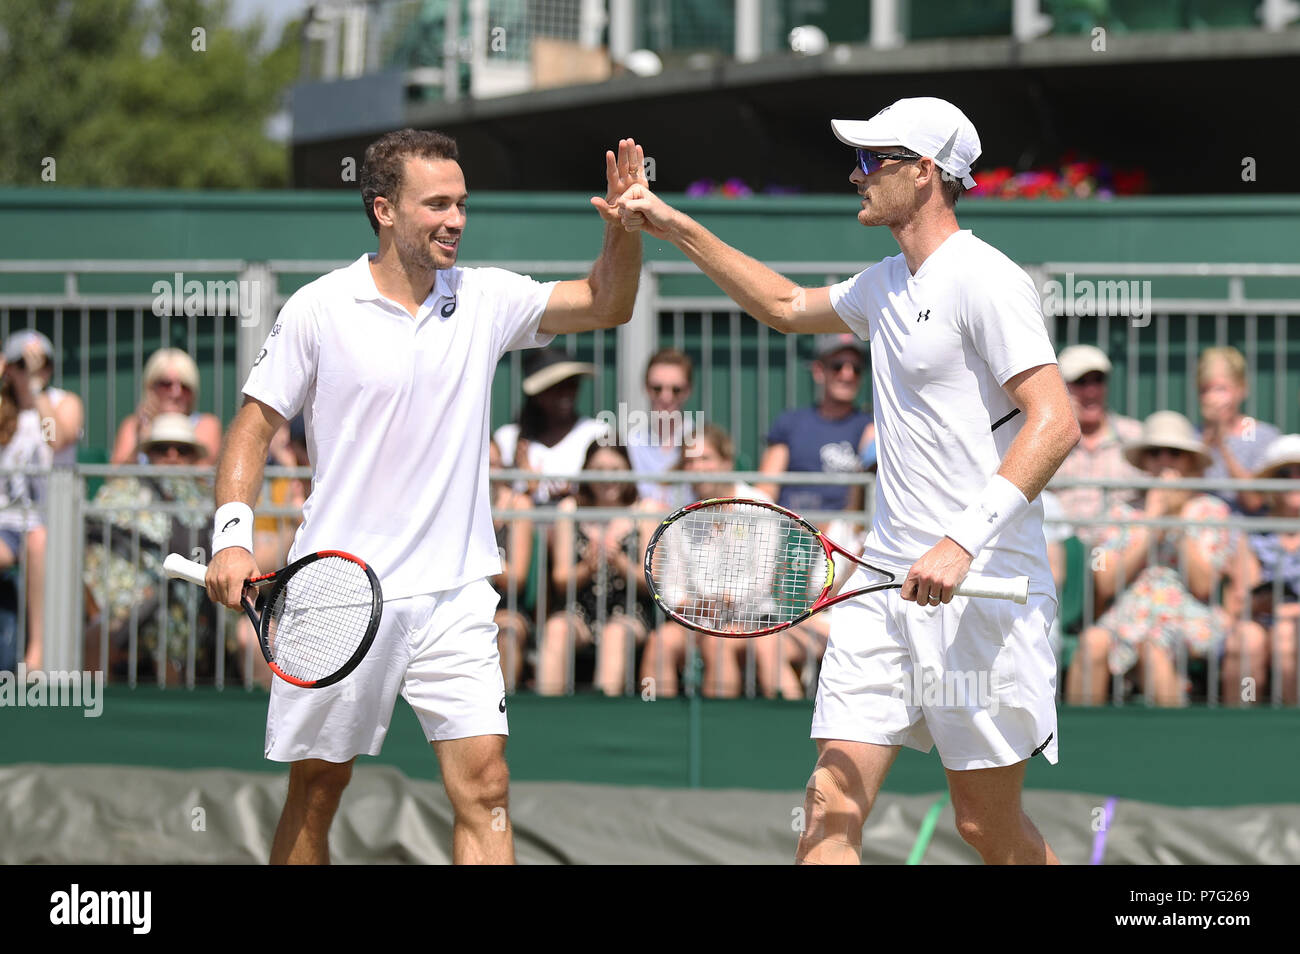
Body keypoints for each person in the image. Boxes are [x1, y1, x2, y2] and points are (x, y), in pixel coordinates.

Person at [617, 97, 1079, 865]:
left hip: (983, 593)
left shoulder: (986, 280)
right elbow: (784, 303)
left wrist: (960, 544)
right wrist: (671, 224)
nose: (855, 174)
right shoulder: (885, 282)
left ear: (925, 173)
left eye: (873, 160)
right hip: (886, 592)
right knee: (830, 804)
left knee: (985, 828)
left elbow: (1055, 422)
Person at [205, 129, 645, 865]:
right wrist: (231, 536)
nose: (456, 220)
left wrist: (623, 232)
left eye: (462, 203)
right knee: (317, 790)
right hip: (337, 591)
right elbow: (252, 428)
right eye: (436, 204)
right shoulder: (318, 309)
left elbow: (608, 302)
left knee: (487, 789)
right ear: (383, 209)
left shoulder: (485, 298)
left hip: (455, 593)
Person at [1065, 412, 1234, 707]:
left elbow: (1204, 584)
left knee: (1152, 647)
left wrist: (1176, 520)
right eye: (1155, 452)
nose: (1164, 460)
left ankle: (1175, 743)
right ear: (1144, 461)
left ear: (1190, 462)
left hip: (1187, 616)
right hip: (1129, 613)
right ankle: (1079, 744)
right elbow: (1105, 582)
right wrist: (1152, 523)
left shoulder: (1210, 510)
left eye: (1175, 454)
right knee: (1092, 643)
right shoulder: (1120, 511)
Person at [83, 413, 215, 683]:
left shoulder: (207, 500)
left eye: (182, 450)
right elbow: (93, 542)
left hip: (190, 608)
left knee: (169, 630)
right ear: (148, 454)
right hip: (123, 605)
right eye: (161, 448)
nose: (172, 455)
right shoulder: (119, 491)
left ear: (193, 457)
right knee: (97, 633)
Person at [539, 441, 659, 696]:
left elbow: (652, 582)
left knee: (615, 633)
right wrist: (588, 567)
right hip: (580, 609)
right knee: (556, 629)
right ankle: (546, 714)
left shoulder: (645, 511)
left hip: (629, 611)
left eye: (615, 469)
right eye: (599, 469)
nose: (607, 478)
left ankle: (602, 716)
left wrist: (621, 564)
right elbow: (560, 579)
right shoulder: (569, 510)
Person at [756, 333, 874, 514]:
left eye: (856, 368)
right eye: (838, 366)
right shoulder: (790, 423)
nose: (848, 374)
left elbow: (869, 499)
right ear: (819, 371)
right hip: (794, 534)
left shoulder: (871, 428)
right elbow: (766, 489)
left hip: (846, 535)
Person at [1222, 434, 1300, 706]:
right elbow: (1241, 600)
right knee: (1247, 639)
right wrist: (1262, 604)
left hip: (1287, 627)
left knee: (1287, 635)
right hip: (1260, 621)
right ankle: (1240, 730)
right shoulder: (1252, 533)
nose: (1294, 481)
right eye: (1285, 473)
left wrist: (1284, 612)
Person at [1049, 344, 1143, 547]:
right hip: (1062, 554)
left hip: (1120, 555)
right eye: (1080, 382)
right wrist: (1064, 426)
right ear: (1061, 387)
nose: (1091, 391)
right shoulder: (1046, 441)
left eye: (1098, 381)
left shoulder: (1134, 436)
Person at [493, 349, 610, 504]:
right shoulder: (507, 438)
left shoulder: (598, 433)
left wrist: (575, 496)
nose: (566, 393)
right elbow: (496, 498)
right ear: (538, 394)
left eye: (572, 384)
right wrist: (527, 490)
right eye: (556, 387)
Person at [0, 356, 52, 670]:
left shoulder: (60, 402)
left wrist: (34, 388)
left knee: (38, 539)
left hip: (43, 522)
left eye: (38, 363)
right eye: (20, 364)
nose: (28, 370)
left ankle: (37, 652)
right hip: (5, 524)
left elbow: (59, 436)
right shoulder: (4, 408)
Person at [1197, 346, 1280, 515]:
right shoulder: (1193, 436)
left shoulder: (1262, 435)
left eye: (1220, 389)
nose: (1211, 398)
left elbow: (1253, 501)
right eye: (1204, 390)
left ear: (1242, 389)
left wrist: (1222, 444)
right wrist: (1207, 439)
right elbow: (1185, 492)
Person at [110, 348, 222, 465]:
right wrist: (143, 438)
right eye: (166, 384)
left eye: (185, 387)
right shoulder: (133, 426)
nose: (176, 393)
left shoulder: (207, 425)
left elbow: (204, 476)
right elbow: (116, 479)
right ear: (150, 388)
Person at [488, 438, 534, 692]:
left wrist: (482, 556)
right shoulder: (456, 505)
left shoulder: (519, 504)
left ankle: (503, 710)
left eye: (494, 464)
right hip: (457, 606)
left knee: (507, 631)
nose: (488, 472)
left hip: (506, 606)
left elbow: (517, 578)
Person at [3, 330, 84, 466]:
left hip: (54, 487)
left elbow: (53, 439)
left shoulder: (65, 402)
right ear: (9, 369)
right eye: (23, 364)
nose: (33, 370)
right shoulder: (3, 402)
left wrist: (37, 388)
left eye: (43, 363)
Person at [627, 348, 695, 508]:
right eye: (657, 389)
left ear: (688, 391)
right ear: (646, 388)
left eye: (676, 390)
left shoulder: (703, 445)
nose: (666, 397)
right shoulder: (631, 446)